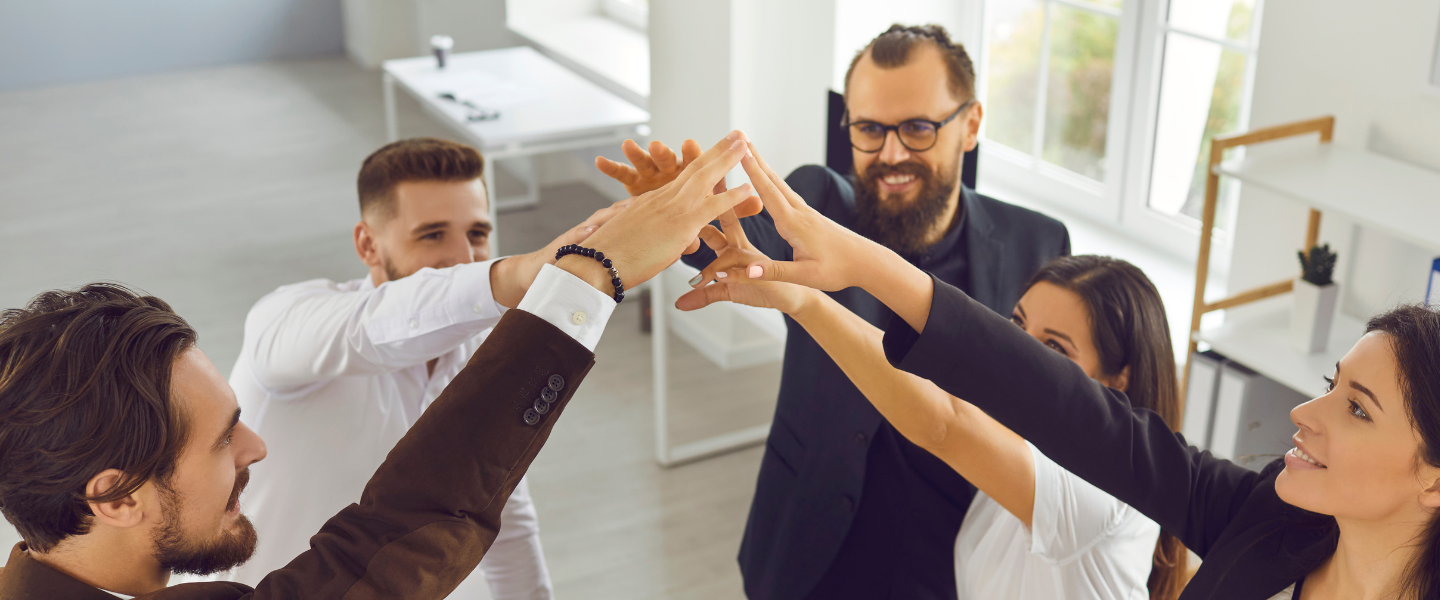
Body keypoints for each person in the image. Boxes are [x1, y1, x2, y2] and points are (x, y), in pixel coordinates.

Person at [0, 133, 760, 598]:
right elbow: (383, 340)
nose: (254, 446)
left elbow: (492, 500)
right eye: (222, 436)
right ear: (114, 497)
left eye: (479, 233)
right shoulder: (287, 327)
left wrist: (578, 262)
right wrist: (565, 274)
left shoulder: (469, 351)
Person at [709, 136, 1440, 600]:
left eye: (1359, 407)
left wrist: (834, 283)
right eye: (1329, 387)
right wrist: (852, 276)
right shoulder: (1266, 523)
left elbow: (944, 419)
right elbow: (1054, 402)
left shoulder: (1109, 510)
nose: (1303, 415)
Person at [598, 25, 1070, 599]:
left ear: (970, 125)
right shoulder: (817, 202)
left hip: (956, 566)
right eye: (869, 129)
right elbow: (746, 248)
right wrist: (685, 222)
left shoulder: (1038, 242)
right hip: (811, 549)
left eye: (918, 128)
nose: (891, 155)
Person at [682, 204, 1186, 599]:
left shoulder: (1109, 488)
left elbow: (943, 422)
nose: (1022, 355)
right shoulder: (1024, 439)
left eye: (1054, 349)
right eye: (1017, 326)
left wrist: (803, 298)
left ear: (1119, 382)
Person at [226, 138, 627, 595]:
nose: (463, 257)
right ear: (368, 245)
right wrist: (521, 274)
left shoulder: (486, 349)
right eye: (433, 234)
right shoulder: (283, 323)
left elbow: (504, 517)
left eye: (477, 234)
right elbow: (371, 325)